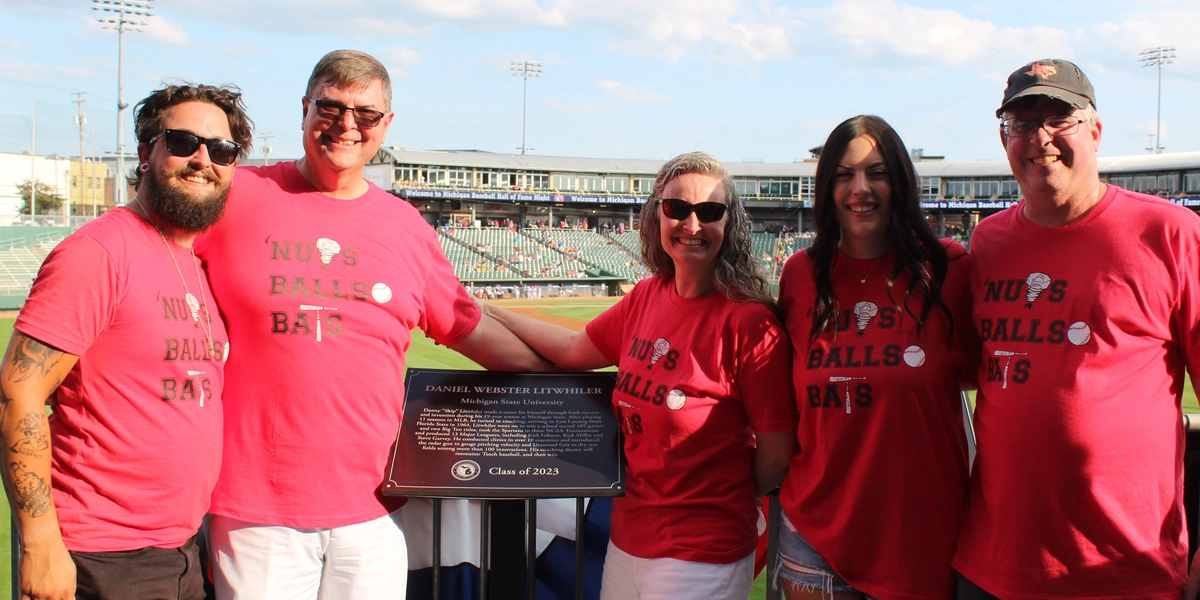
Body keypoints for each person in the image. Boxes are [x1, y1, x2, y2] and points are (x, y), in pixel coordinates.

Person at [194, 50, 549, 599]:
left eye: (366, 114)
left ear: (387, 124)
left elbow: (470, 330)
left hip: (372, 505)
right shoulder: (234, 196)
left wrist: (571, 374)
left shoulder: (404, 227)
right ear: (304, 109)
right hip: (254, 506)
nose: (347, 125)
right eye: (331, 107)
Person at [480, 152, 797, 600]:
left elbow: (776, 454)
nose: (692, 224)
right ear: (657, 215)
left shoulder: (748, 320)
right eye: (677, 208)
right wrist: (488, 310)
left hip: (702, 550)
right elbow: (573, 349)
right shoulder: (649, 294)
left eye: (710, 212)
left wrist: (715, 491)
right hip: (628, 539)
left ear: (730, 225)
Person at [952, 58, 1200, 600]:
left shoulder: (1171, 233)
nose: (1039, 136)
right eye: (1021, 122)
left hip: (1124, 571)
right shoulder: (989, 243)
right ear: (1004, 139)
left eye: (1057, 117)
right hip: (991, 566)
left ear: (1095, 130)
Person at [0, 83, 252, 600]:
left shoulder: (193, 260)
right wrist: (41, 543)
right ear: (145, 153)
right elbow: (17, 392)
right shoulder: (99, 252)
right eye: (183, 142)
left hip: (181, 546)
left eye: (222, 150)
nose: (203, 159)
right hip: (102, 552)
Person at [774, 115, 972, 600]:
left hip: (923, 540)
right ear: (827, 187)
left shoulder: (951, 269)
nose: (860, 188)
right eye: (844, 175)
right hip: (812, 543)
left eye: (877, 172)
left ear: (900, 180)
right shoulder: (800, 274)